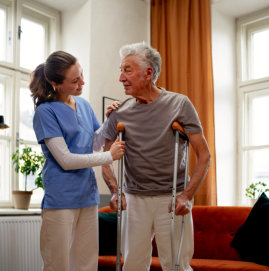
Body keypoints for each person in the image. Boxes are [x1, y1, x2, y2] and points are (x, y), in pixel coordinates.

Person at [102, 42, 211, 271]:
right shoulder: (119, 111)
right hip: (134, 199)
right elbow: (104, 157)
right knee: (132, 265)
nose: (121, 77)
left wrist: (187, 196)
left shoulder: (179, 103)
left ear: (148, 72)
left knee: (177, 265)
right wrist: (115, 190)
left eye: (127, 70)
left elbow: (204, 155)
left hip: (172, 198)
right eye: (120, 70)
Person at [30, 51, 125, 271]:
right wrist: (109, 156)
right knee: (58, 263)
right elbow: (65, 160)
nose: (83, 82)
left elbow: (94, 142)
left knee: (86, 262)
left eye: (81, 75)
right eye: (75, 81)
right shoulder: (45, 112)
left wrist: (109, 121)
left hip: (87, 195)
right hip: (61, 199)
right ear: (55, 83)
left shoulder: (83, 104)